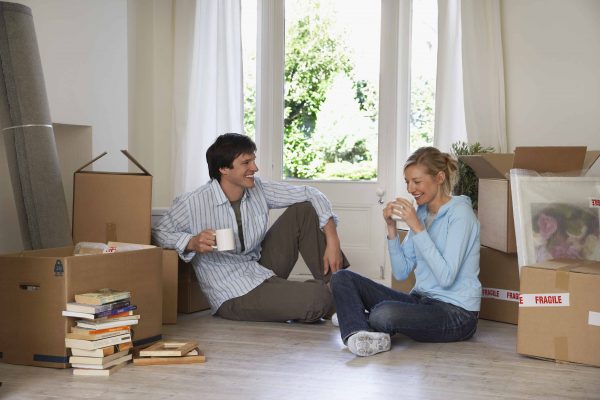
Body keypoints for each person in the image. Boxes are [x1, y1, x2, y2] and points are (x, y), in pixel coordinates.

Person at [153, 133, 349, 323]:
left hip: (259, 267)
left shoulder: (258, 189)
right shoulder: (192, 202)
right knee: (318, 298)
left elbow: (312, 193)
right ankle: (335, 296)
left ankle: (343, 287)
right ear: (224, 168)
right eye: (246, 163)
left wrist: (333, 240)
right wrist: (191, 242)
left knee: (304, 211)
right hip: (233, 292)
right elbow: (160, 232)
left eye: (253, 161)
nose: (254, 168)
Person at [330, 146, 481, 357]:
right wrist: (391, 228)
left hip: (456, 313)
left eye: (416, 182)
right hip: (421, 301)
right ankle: (357, 332)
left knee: (384, 314)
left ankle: (355, 316)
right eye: (407, 182)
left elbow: (446, 278)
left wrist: (417, 227)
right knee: (341, 278)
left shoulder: (461, 215)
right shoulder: (422, 211)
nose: (410, 189)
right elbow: (401, 272)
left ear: (439, 177)